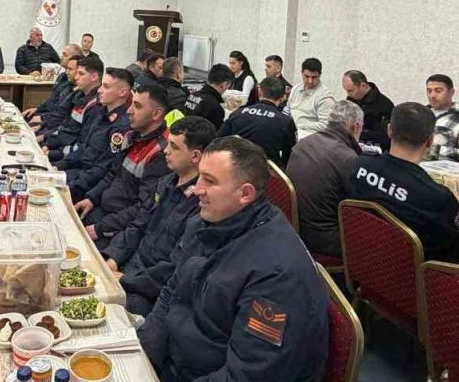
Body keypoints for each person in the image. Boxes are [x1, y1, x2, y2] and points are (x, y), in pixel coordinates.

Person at [139, 136, 329, 382]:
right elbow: (172, 292)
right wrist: (144, 357)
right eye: (200, 176)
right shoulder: (207, 222)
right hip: (174, 362)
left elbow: (247, 375)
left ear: (245, 194)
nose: (197, 189)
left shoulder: (277, 277)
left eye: (210, 181)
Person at [102, 115, 213, 315]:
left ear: (195, 156)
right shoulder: (165, 183)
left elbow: (174, 268)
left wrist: (125, 279)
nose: (165, 151)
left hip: (151, 290)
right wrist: (114, 258)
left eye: (174, 147)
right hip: (130, 265)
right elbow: (138, 226)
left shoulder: (202, 204)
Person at [348, 102, 459, 266]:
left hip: (363, 263)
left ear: (389, 130)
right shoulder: (438, 197)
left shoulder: (358, 166)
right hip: (416, 276)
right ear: (430, 141)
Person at [74, 84, 169, 248]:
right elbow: (112, 174)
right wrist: (92, 198)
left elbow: (143, 209)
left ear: (156, 113)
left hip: (119, 227)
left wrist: (100, 228)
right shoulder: (132, 136)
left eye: (137, 106)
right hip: (103, 210)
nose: (129, 111)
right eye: (131, 103)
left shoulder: (160, 154)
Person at [287, 100, 366, 258]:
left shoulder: (304, 143)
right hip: (322, 238)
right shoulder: (348, 159)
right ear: (357, 126)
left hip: (292, 225)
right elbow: (358, 206)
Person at [60, 66, 133, 200]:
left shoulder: (120, 128)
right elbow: (83, 149)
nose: (99, 90)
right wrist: (59, 165)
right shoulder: (101, 113)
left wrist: (72, 186)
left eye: (106, 86)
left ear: (122, 92)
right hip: (79, 172)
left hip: (87, 185)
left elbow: (103, 169)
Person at [218, 75, 297, 167]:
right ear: (283, 97)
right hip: (267, 169)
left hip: (237, 165)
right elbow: (289, 156)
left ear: (260, 92)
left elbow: (219, 141)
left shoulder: (238, 114)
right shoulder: (286, 122)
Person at [43, 55, 95, 158]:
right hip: (57, 141)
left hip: (69, 155)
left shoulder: (94, 106)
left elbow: (78, 141)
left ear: (94, 77)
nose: (76, 77)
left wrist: (53, 153)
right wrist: (48, 145)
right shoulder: (78, 95)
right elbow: (65, 125)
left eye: (81, 74)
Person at [25, 44, 81, 130]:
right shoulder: (62, 76)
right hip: (48, 115)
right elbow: (52, 100)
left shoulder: (74, 83)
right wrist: (37, 109)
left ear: (74, 58)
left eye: (65, 55)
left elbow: (61, 112)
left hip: (53, 122)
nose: (61, 57)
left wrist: (43, 118)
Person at [426, 74, 459, 162]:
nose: (432, 95)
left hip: (442, 167)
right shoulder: (420, 113)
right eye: (429, 91)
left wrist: (433, 148)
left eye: (438, 91)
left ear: (451, 92)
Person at [342, 70, 394, 151]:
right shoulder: (351, 100)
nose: (348, 94)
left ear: (363, 85)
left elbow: (386, 136)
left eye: (350, 91)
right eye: (346, 90)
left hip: (373, 149)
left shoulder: (384, 105)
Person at [288, 57, 336, 138]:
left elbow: (325, 125)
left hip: (309, 136)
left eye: (314, 77)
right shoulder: (295, 89)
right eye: (306, 76)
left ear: (320, 75)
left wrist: (300, 125)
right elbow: (288, 109)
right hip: (291, 130)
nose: (310, 81)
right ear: (302, 73)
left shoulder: (325, 97)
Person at [182, 63, 233, 128]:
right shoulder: (215, 108)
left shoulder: (192, 95)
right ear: (224, 84)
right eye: (228, 86)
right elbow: (217, 132)